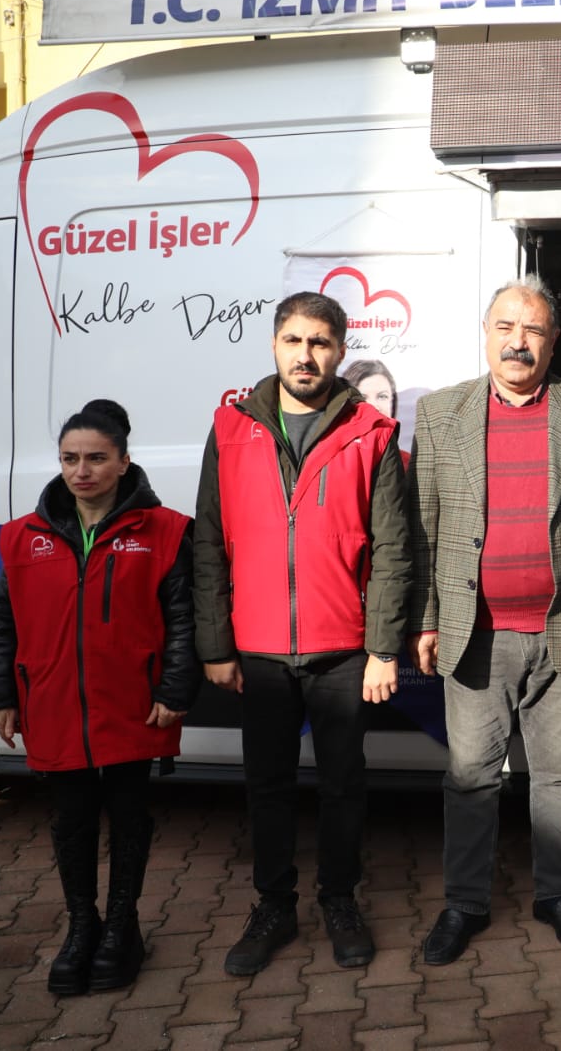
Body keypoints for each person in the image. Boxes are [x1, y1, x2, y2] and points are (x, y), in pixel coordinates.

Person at [406, 277, 561, 965]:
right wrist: (424, 619)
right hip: (472, 634)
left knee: (560, 775)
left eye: (533, 330)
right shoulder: (441, 413)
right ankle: (465, 903)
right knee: (471, 777)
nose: (518, 342)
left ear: (552, 342)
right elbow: (424, 527)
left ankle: (557, 895)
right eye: (506, 327)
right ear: (485, 333)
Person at [193, 291, 411, 976]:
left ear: (341, 350)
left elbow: (394, 550)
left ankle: (339, 900)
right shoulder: (231, 428)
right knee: (268, 786)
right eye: (293, 340)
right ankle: (274, 906)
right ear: (273, 345)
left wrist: (382, 647)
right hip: (256, 650)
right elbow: (207, 543)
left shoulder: (372, 433)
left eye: (320, 342)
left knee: (343, 785)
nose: (306, 355)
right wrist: (214, 644)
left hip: (341, 647)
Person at [0, 399, 197, 996]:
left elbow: (184, 620)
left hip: (133, 703)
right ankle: (84, 926)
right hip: (53, 704)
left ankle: (123, 927)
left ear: (124, 462)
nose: (82, 471)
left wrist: (176, 689)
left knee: (128, 818)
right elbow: (2, 622)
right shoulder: (23, 538)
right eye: (71, 459)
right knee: (70, 821)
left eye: (97, 459)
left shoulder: (167, 531)